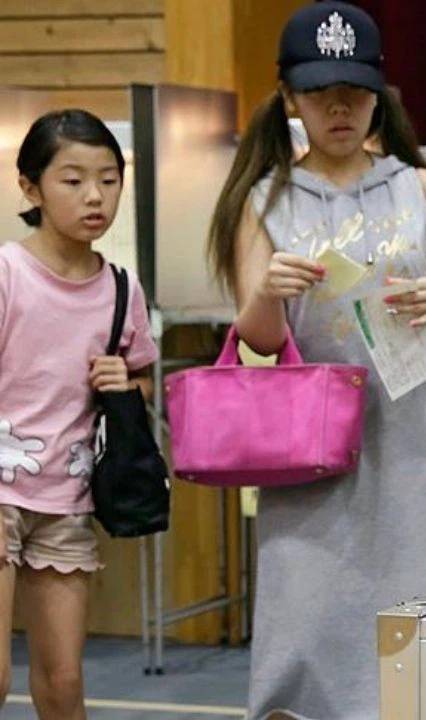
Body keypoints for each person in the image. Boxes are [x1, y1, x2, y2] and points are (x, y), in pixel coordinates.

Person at [205, 3, 426, 718]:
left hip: (408, 440)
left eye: (356, 93)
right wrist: (268, 293)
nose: (340, 108)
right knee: (306, 616)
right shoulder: (265, 199)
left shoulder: (418, 185)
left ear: (378, 97)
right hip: (306, 450)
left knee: (416, 603)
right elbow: (259, 340)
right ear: (289, 98)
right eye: (320, 93)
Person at [0, 109, 158, 720]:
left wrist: (127, 384)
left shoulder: (121, 288)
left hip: (67, 496)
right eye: (73, 180)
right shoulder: (8, 275)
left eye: (109, 179)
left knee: (63, 683)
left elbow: (142, 384)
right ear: (31, 187)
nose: (95, 196)